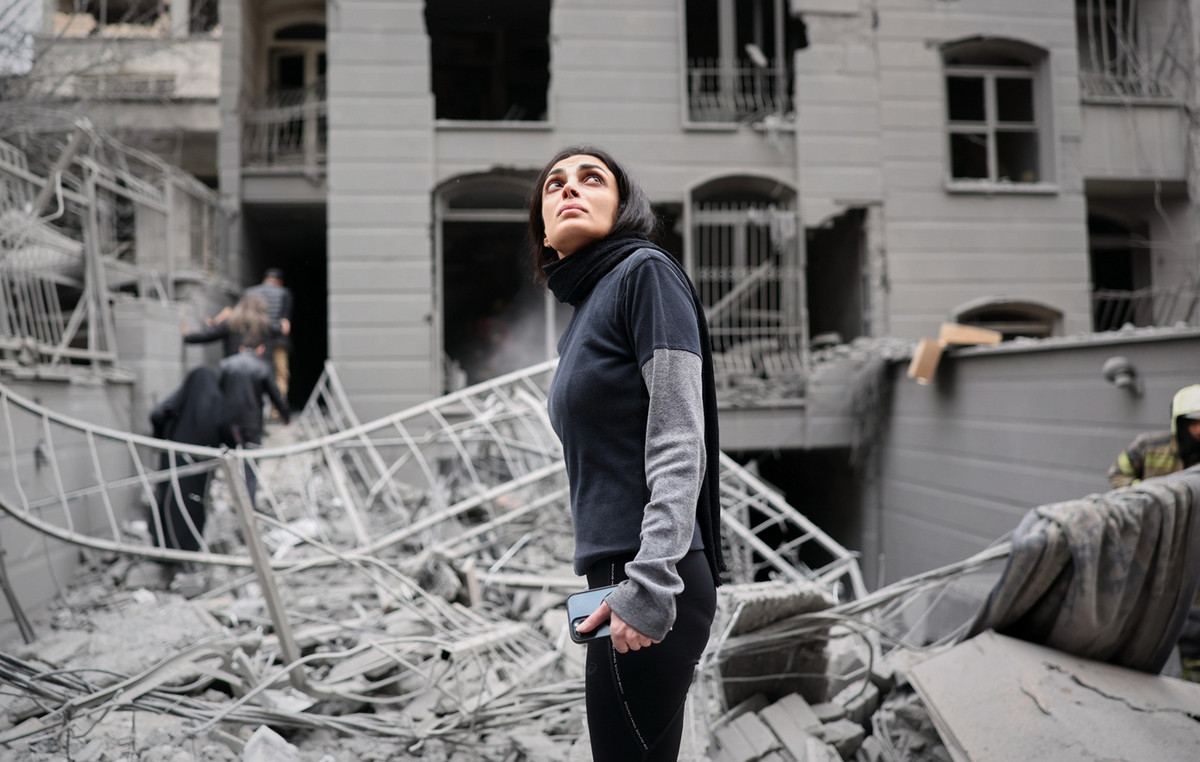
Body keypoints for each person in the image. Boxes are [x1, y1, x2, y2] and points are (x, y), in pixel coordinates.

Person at [528, 145, 724, 761]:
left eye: (591, 179)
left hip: (647, 575)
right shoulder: (587, 311)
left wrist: (649, 584)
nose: (569, 188)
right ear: (543, 230)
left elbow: (679, 437)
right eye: (554, 184)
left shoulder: (645, 274)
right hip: (618, 577)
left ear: (623, 207)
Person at [1107, 383, 1200, 681]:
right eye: (1194, 423)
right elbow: (1118, 474)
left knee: (1193, 624)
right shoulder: (1149, 446)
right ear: (1179, 423)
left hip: (1193, 547)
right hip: (1155, 542)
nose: (1199, 430)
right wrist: (1148, 498)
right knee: (1140, 610)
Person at [149, 366, 231, 553]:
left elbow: (157, 414)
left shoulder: (182, 397)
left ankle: (163, 546)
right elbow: (226, 429)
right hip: (200, 464)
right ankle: (188, 549)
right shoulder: (217, 400)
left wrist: (159, 439)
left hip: (174, 457)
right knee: (193, 504)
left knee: (169, 499)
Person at [219, 338, 291, 510]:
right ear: (260, 349)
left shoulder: (226, 365)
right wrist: (286, 416)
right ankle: (248, 508)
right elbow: (275, 395)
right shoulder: (262, 367)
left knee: (229, 462)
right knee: (250, 467)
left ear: (241, 348)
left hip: (229, 424)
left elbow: (216, 392)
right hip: (252, 425)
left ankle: (235, 502)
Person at [243, 268, 294, 404]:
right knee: (280, 374)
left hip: (256, 341)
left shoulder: (250, 292)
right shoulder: (284, 293)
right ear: (279, 282)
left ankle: (259, 406)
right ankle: (277, 408)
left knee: (257, 372)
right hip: (278, 341)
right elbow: (285, 326)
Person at [183, 293, 284, 359]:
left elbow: (208, 335)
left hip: (233, 370)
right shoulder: (266, 325)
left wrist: (187, 336)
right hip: (259, 373)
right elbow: (281, 329)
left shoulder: (231, 323)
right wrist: (284, 321)